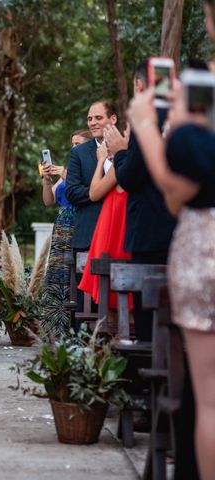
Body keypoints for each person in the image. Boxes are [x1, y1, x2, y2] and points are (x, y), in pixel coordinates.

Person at [128, 3, 215, 476]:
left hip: (208, 243)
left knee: (210, 400)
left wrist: (146, 124)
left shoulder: (204, 89)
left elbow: (178, 192)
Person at [111, 59, 177, 343]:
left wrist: (120, 152)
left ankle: (153, 365)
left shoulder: (146, 121)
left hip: (149, 230)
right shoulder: (184, 116)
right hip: (180, 227)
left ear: (139, 84)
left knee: (149, 310)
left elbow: (130, 177)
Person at [65, 100, 118, 313]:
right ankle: (83, 344)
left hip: (118, 233)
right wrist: (100, 192)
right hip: (88, 233)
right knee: (85, 302)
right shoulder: (79, 153)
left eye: (98, 118)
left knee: (118, 294)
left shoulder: (127, 148)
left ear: (112, 119)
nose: (93, 123)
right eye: (89, 118)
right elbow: (72, 191)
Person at [39, 129, 91, 334]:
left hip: (78, 224)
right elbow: (48, 200)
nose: (74, 148)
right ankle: (54, 326)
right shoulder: (69, 170)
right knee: (57, 272)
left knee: (73, 273)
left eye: (78, 144)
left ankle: (74, 327)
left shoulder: (85, 170)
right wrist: (46, 180)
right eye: (72, 145)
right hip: (61, 226)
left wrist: (64, 173)